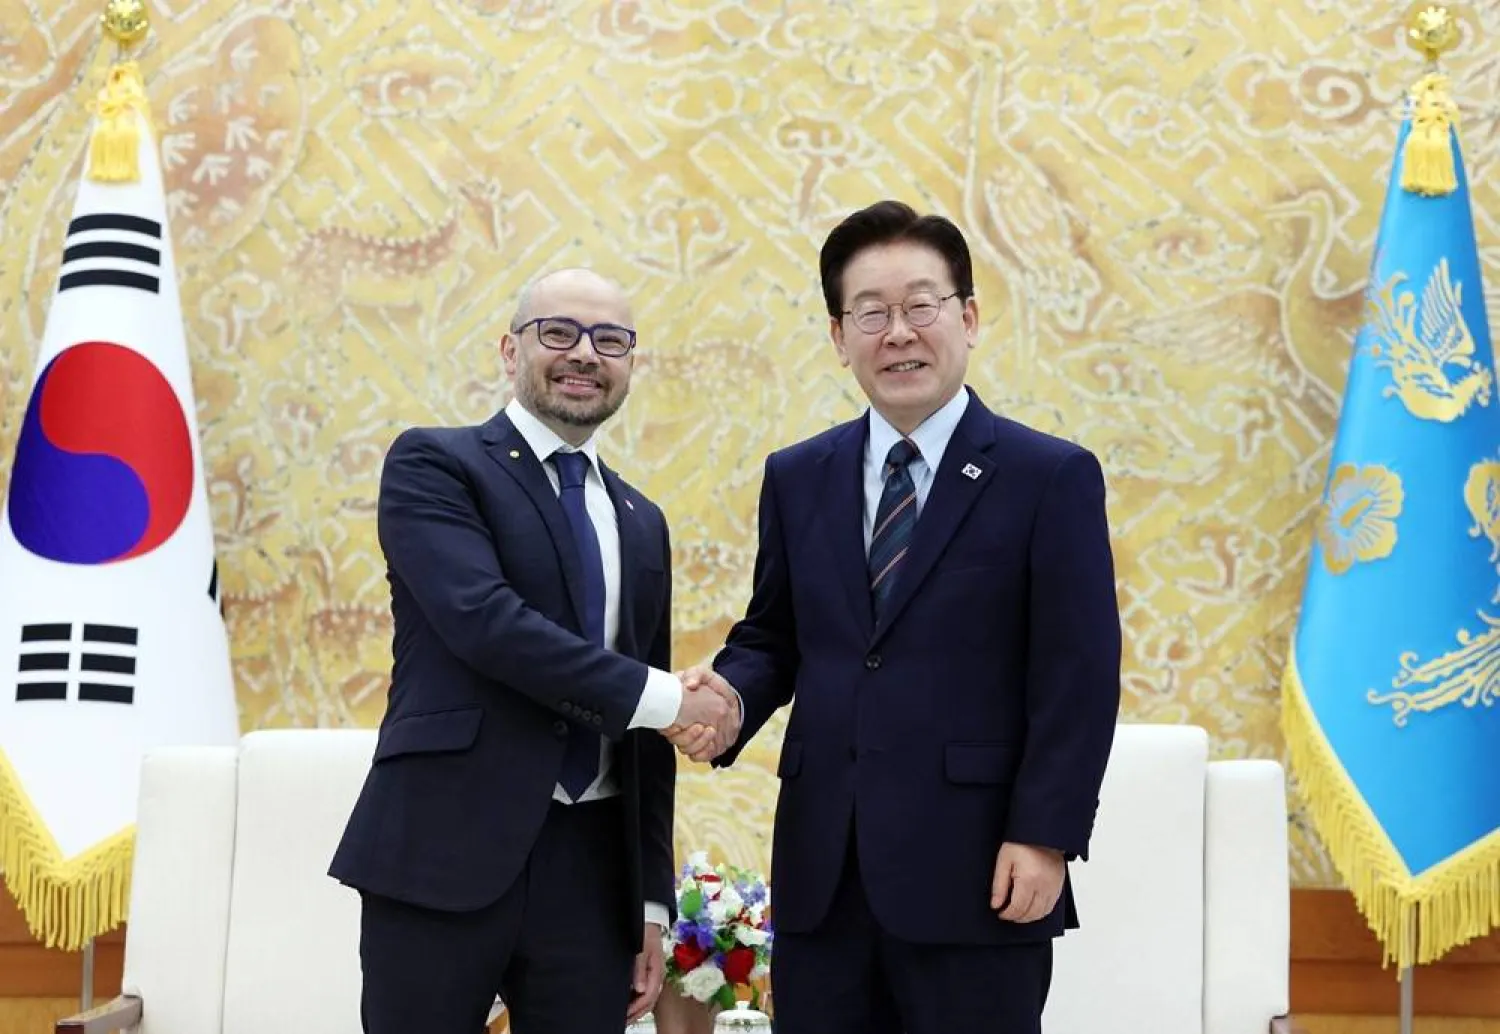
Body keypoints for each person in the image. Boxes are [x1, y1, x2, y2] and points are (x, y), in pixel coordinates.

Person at [673, 200, 1123, 1034]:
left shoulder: (1048, 477)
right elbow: (774, 636)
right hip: (824, 875)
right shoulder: (798, 476)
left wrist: (1045, 835)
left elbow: (1079, 676)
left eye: (922, 305)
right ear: (839, 337)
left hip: (979, 871)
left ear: (968, 318)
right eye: (871, 313)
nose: (899, 332)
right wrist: (729, 699)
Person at [329, 268, 735, 1034]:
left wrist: (650, 901)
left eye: (609, 340)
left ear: (630, 364)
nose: (584, 353)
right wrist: (674, 700)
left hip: (592, 875)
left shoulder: (641, 519)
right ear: (509, 349)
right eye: (559, 332)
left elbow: (643, 741)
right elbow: (488, 623)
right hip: (444, 848)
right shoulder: (435, 464)